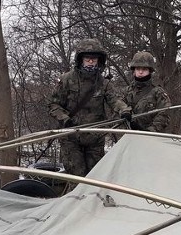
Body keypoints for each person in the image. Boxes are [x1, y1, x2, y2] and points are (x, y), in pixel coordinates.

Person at [48, 38, 132, 176]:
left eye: (94, 59)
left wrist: (124, 110)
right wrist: (64, 118)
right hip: (71, 137)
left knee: (95, 177)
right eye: (88, 58)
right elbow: (53, 104)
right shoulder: (66, 80)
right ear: (80, 59)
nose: (91, 62)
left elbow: (114, 100)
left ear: (100, 61)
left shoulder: (104, 83)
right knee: (77, 177)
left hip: (95, 137)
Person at [123, 51, 171, 132]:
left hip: (151, 137)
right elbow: (117, 111)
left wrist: (150, 131)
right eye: (138, 69)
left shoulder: (158, 92)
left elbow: (164, 114)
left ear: (150, 71)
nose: (140, 72)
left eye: (144, 69)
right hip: (129, 135)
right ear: (134, 70)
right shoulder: (127, 92)